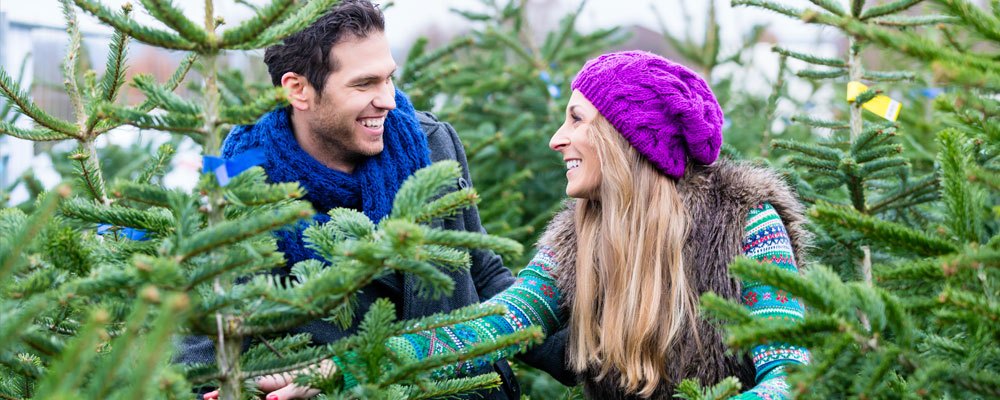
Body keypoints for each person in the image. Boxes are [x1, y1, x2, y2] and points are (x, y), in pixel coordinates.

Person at [176, 2, 573, 399]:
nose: (388, 99)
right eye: (364, 84)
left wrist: (590, 362)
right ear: (297, 89)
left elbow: (482, 274)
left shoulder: (431, 143)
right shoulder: (238, 186)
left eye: (389, 79)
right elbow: (198, 341)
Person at [385, 51, 812, 399]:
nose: (556, 139)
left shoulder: (745, 222)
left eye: (576, 119)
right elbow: (495, 325)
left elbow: (789, 375)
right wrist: (361, 364)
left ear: (625, 138)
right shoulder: (576, 238)